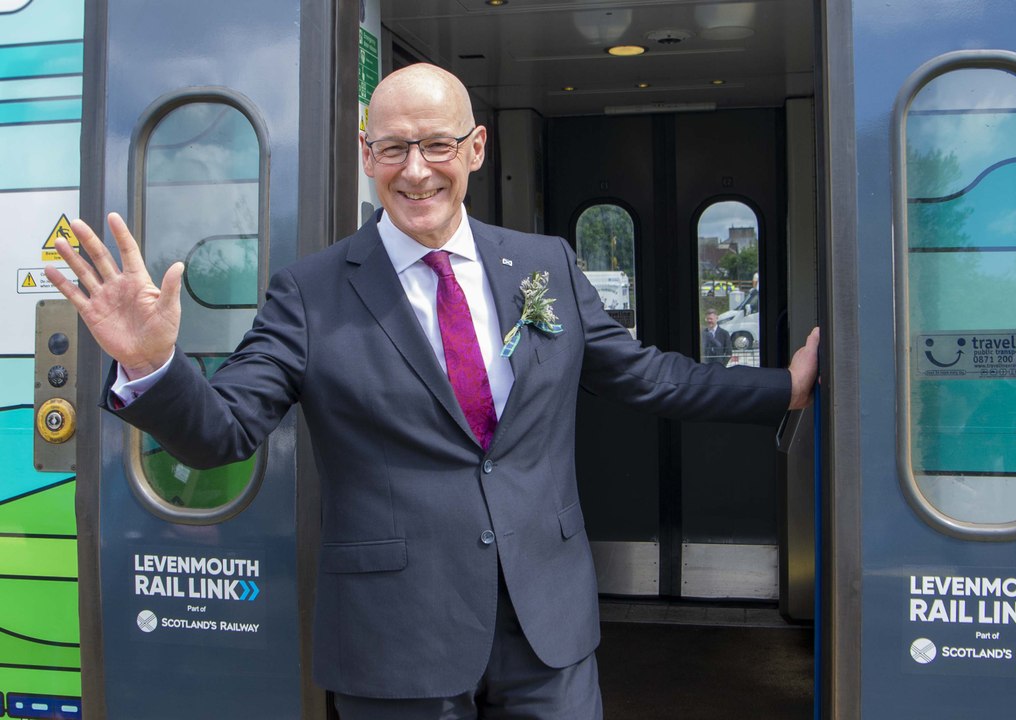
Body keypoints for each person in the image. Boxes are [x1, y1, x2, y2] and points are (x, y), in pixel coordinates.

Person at [46, 63, 819, 720]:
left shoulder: (543, 264)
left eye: (437, 144)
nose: (416, 169)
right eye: (392, 148)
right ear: (366, 154)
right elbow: (222, 431)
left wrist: (783, 387)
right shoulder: (310, 294)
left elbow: (644, 374)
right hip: (396, 639)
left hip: (547, 631)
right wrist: (152, 363)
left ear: (475, 148)